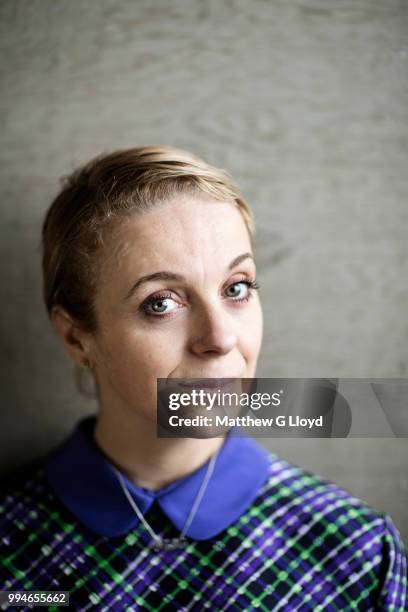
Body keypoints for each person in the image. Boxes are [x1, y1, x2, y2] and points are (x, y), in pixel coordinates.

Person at [0, 146, 406, 611]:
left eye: (237, 288)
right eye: (161, 303)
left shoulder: (357, 556)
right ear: (76, 338)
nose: (220, 338)